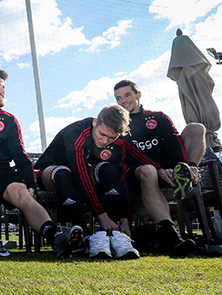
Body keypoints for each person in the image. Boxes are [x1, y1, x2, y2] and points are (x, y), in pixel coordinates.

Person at [0, 69, 83, 259]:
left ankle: (56, 238)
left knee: (23, 194)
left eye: (3, 87)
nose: (2, 91)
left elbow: (20, 156)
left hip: (2, 171)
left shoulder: (9, 120)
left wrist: (30, 184)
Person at [35, 105, 145, 259]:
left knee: (108, 169)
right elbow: (81, 176)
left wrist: (124, 217)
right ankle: (84, 236)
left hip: (82, 173)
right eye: (102, 134)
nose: (104, 140)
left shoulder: (119, 139)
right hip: (50, 174)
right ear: (95, 123)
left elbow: (123, 176)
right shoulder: (76, 133)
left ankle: (111, 235)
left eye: (111, 138)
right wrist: (102, 215)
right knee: (63, 174)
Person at [114, 79, 198, 256]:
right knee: (148, 170)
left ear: (138, 95)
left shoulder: (157, 117)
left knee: (196, 128)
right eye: (118, 98)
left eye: (127, 95)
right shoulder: (117, 127)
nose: (123, 101)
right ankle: (171, 236)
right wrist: (158, 169)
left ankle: (188, 173)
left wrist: (182, 164)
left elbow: (174, 142)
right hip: (137, 175)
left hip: (168, 172)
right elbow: (126, 159)